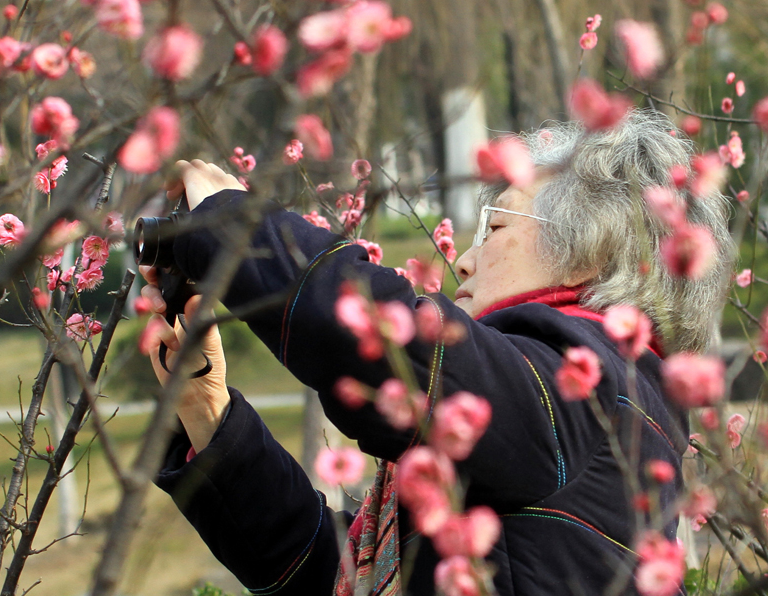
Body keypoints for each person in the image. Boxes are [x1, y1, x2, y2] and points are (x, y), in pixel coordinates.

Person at [142, 109, 734, 595]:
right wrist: (212, 418)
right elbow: (335, 578)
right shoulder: (585, 419)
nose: (465, 261)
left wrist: (233, 226)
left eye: (495, 229)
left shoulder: (588, 391)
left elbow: (397, 343)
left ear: (589, 251)